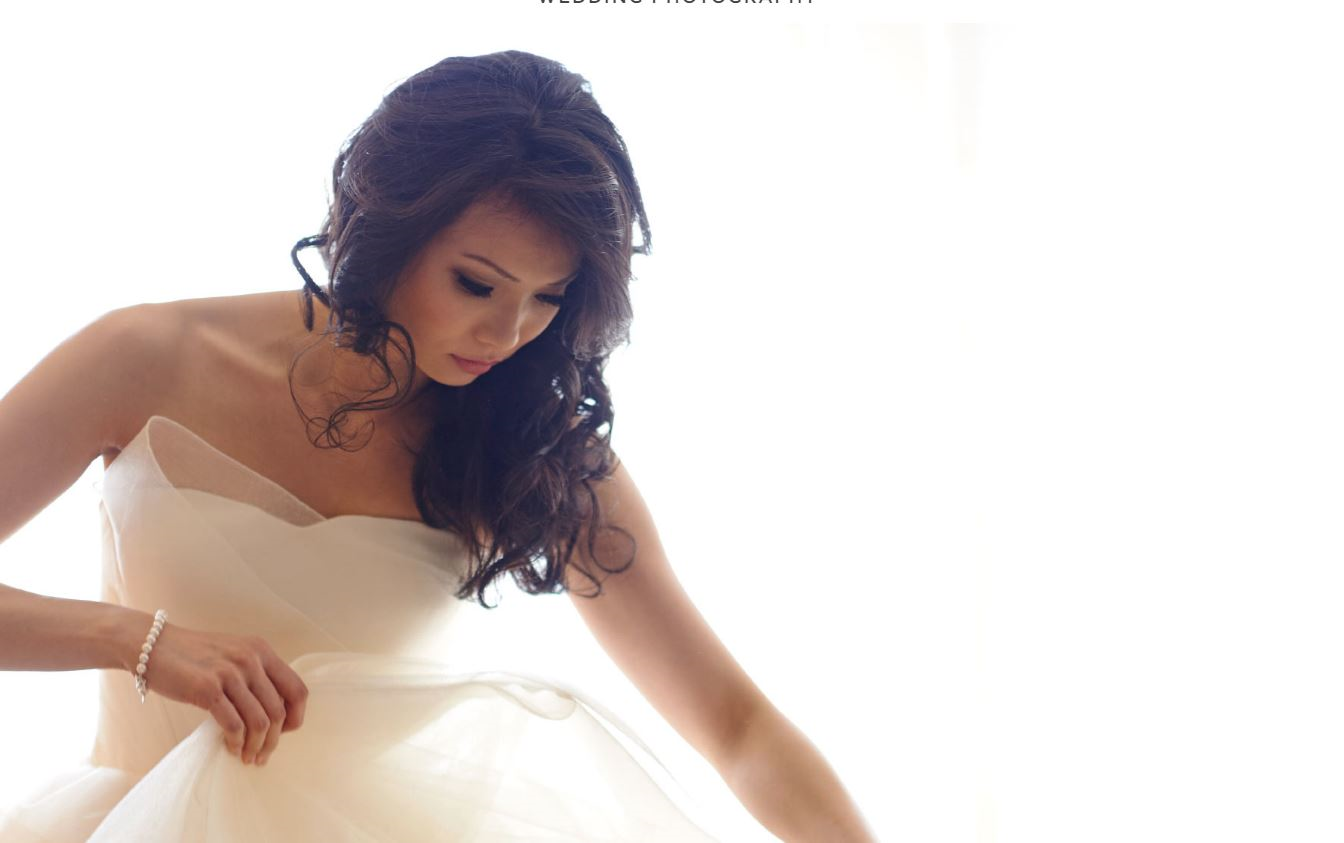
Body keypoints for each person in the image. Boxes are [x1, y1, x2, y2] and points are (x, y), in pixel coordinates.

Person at [0, 49, 877, 841]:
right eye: (476, 283)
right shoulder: (150, 358)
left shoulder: (536, 453)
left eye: (548, 298)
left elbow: (738, 726)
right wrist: (136, 640)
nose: (508, 333)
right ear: (389, 228)